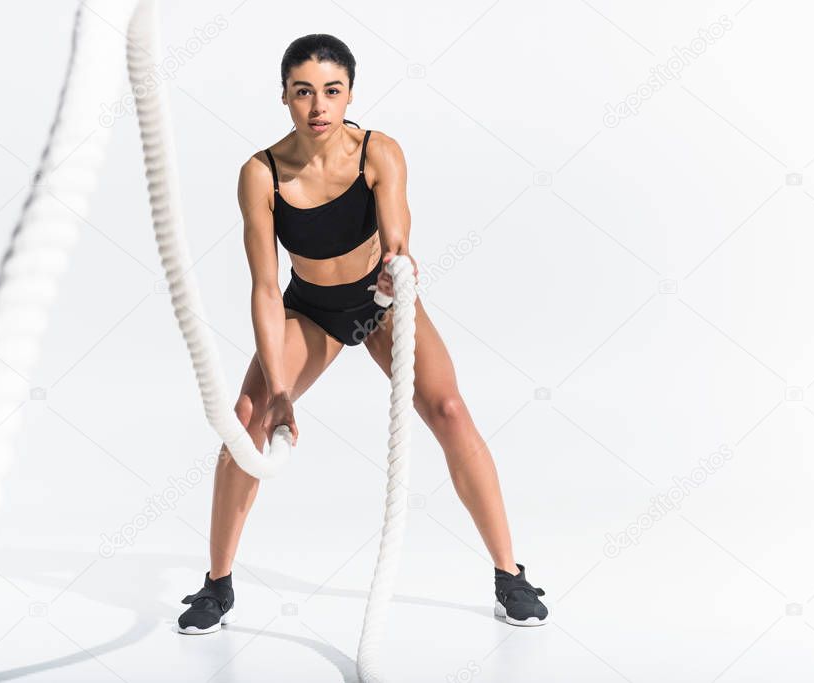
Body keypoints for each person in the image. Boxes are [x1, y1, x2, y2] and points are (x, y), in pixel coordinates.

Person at [177, 34, 548, 635]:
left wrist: (396, 260)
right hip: (311, 310)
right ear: (285, 98)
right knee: (248, 419)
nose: (319, 106)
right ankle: (216, 586)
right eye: (304, 93)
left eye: (332, 91)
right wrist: (278, 390)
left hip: (379, 302)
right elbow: (266, 290)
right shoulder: (261, 173)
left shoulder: (380, 151)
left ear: (350, 93)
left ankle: (511, 576)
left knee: (450, 409)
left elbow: (397, 227)